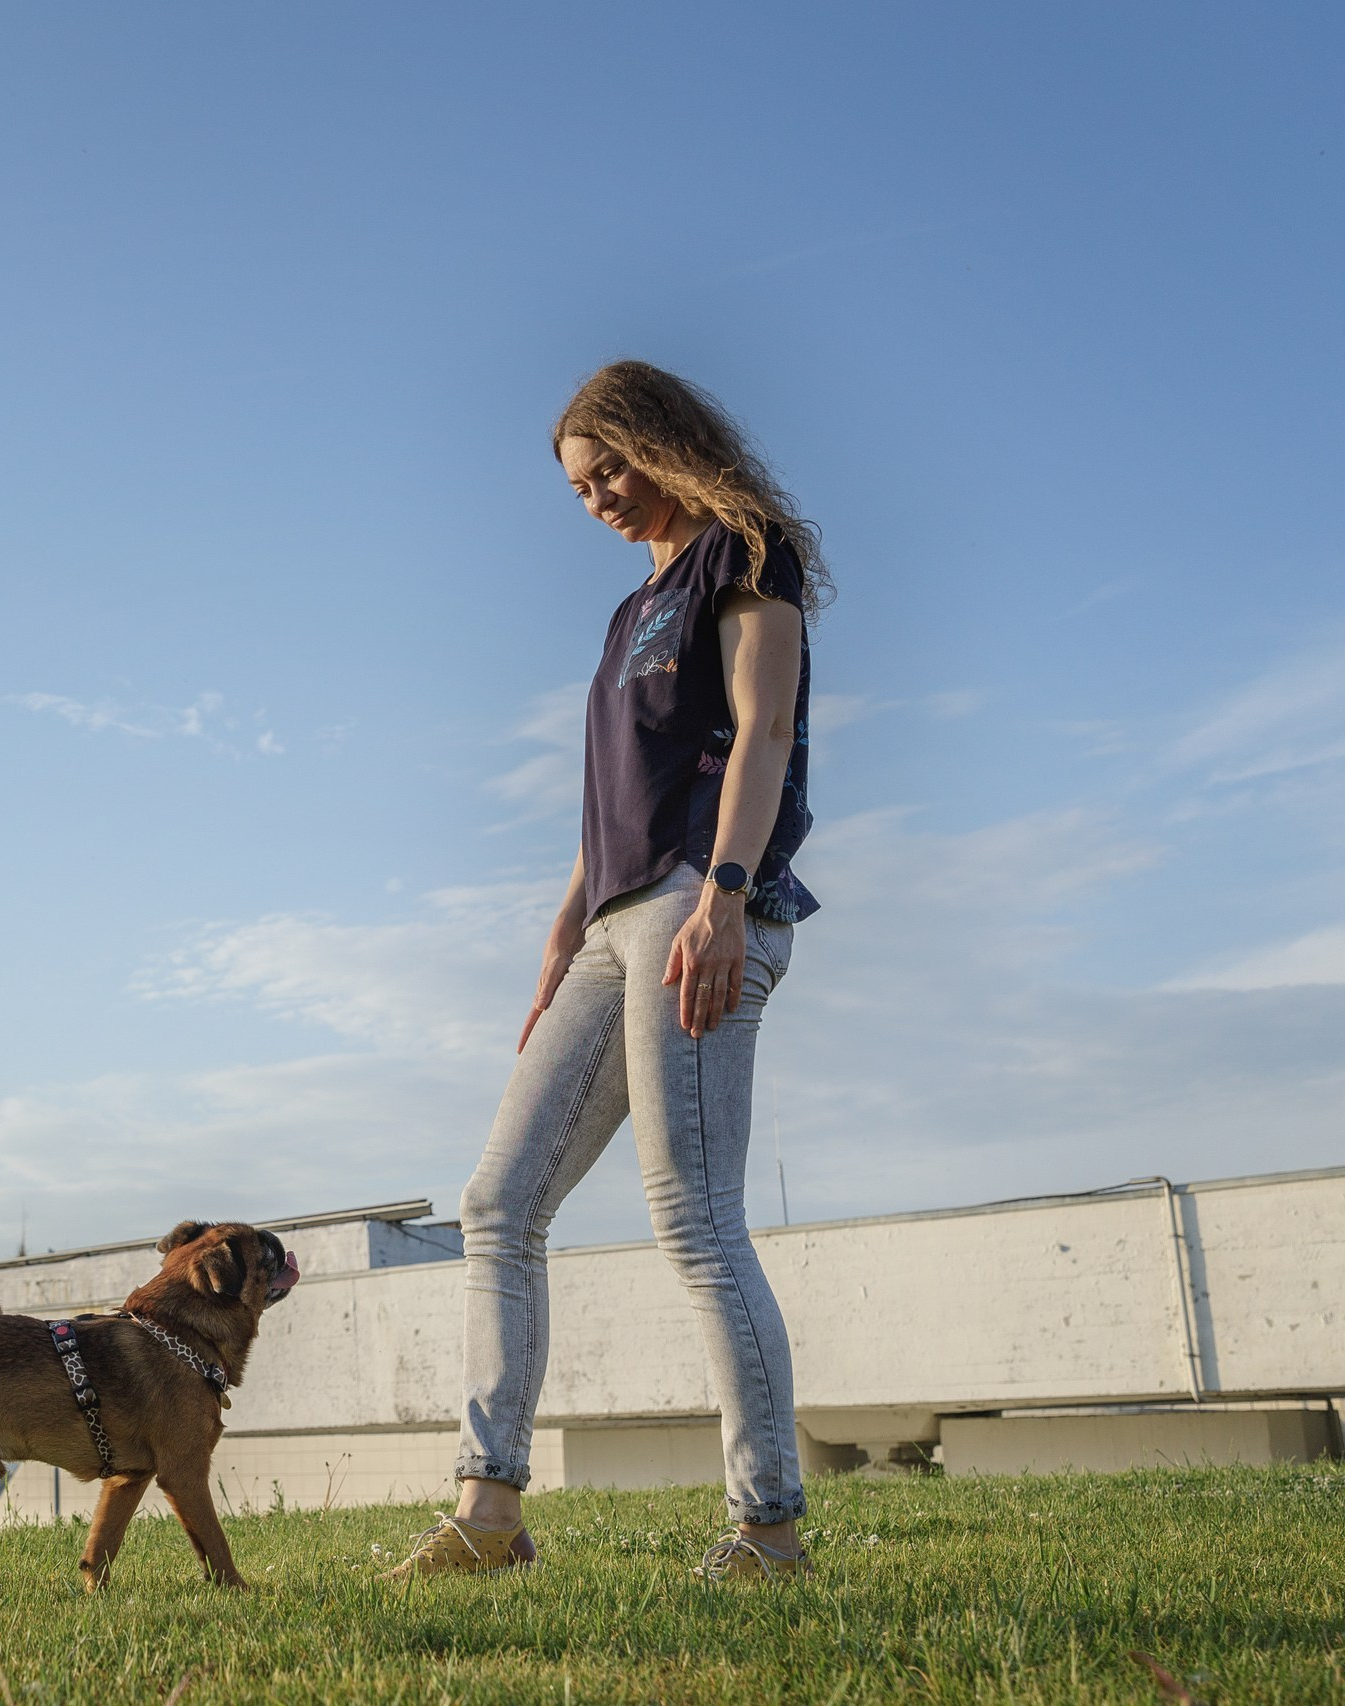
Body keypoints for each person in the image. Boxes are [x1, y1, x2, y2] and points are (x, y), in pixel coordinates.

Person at [388, 361, 832, 1585]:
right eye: (581, 489)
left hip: (702, 904)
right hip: (610, 921)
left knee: (693, 1221)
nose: (600, 499)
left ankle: (770, 1529)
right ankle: (488, 1513)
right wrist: (559, 934)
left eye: (613, 470)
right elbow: (612, 804)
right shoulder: (623, 607)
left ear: (664, 441)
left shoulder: (744, 552)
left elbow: (764, 731)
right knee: (496, 1200)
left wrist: (728, 895)